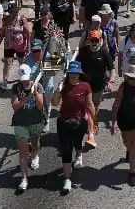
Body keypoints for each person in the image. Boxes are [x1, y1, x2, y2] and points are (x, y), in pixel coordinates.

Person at [51, 60, 96, 194]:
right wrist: (58, 90)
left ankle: (79, 154)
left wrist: (95, 122)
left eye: (75, 73)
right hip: (64, 122)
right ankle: (67, 179)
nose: (73, 75)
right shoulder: (63, 86)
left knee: (77, 143)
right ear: (68, 73)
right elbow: (54, 103)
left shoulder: (85, 86)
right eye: (71, 73)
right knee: (66, 150)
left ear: (79, 74)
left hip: (79, 122)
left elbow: (90, 105)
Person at [11, 64, 46, 193]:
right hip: (20, 122)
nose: (25, 82)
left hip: (35, 121)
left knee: (35, 143)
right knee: (23, 150)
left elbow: (40, 106)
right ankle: (24, 178)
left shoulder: (38, 86)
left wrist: (35, 95)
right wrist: (27, 98)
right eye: (22, 79)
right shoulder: (16, 87)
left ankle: (35, 155)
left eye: (26, 79)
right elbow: (15, 106)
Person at [0, 5, 31, 83]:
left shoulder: (22, 20)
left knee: (21, 63)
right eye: (12, 12)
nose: (14, 13)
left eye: (15, 12)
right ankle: (5, 81)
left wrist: (28, 45)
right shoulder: (6, 19)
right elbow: (2, 32)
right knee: (7, 63)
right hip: (8, 45)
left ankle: (23, 79)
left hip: (20, 45)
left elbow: (28, 33)